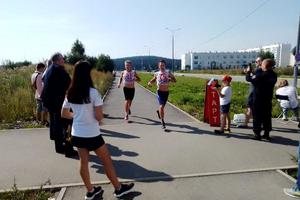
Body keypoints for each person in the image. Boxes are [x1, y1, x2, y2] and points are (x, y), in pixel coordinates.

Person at [61, 61, 134, 199]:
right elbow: (99, 116)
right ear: (87, 74)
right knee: (107, 161)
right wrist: (96, 119)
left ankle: (90, 191)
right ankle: (118, 189)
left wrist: (76, 116)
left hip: (77, 134)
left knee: (83, 162)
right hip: (92, 135)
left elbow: (64, 114)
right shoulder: (93, 93)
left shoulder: (70, 92)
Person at [41, 53, 77, 157]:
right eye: (62, 58)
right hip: (57, 101)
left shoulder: (49, 68)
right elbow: (70, 83)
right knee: (66, 123)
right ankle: (68, 149)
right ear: (57, 60)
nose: (64, 60)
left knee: (55, 122)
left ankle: (58, 146)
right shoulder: (59, 69)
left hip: (48, 101)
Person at [246, 59, 277, 141]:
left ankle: (257, 134)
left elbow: (249, 79)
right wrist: (257, 69)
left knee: (257, 118)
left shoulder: (261, 76)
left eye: (262, 64)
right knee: (267, 117)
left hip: (258, 100)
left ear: (265, 65)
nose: (260, 65)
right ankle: (266, 134)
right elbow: (258, 73)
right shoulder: (273, 74)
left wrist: (248, 72)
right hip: (267, 100)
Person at [148, 60, 176, 129]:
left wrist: (170, 79)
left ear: (165, 66)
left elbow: (175, 81)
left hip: (166, 92)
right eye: (160, 65)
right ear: (158, 66)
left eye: (163, 65)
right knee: (161, 107)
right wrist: (149, 82)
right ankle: (162, 122)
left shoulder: (168, 72)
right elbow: (154, 79)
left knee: (162, 107)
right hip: (159, 92)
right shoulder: (156, 73)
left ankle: (159, 113)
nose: (162, 67)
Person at [244, 57, 263, 127]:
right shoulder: (260, 71)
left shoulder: (260, 71)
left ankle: (247, 124)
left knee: (251, 109)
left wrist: (248, 72)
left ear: (262, 62)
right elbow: (253, 76)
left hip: (254, 94)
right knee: (251, 109)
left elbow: (249, 79)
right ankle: (247, 123)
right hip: (254, 93)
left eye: (257, 61)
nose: (255, 63)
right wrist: (249, 72)